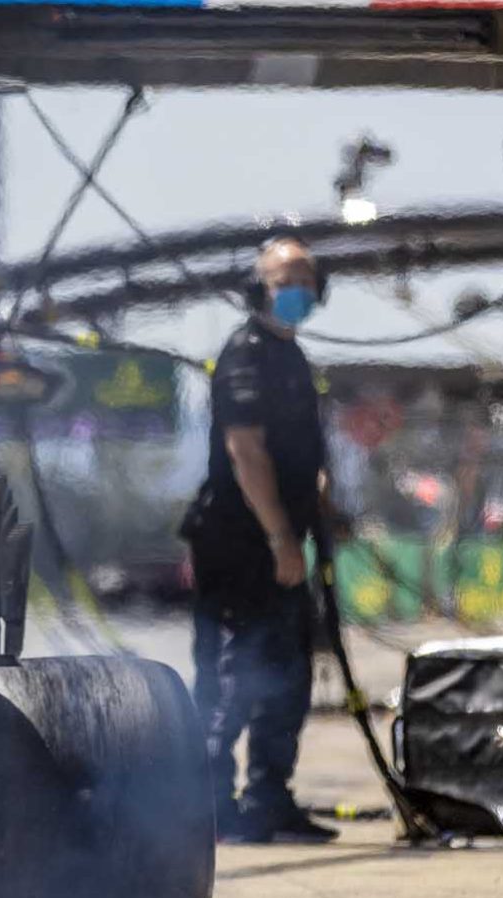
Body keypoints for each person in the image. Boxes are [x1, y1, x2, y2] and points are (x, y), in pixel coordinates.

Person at [180, 237, 338, 844]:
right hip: (239, 547)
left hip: (284, 542)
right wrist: (279, 539)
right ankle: (212, 808)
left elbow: (295, 451)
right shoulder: (245, 355)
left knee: (287, 678)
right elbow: (245, 453)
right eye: (286, 277)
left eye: (308, 277)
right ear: (257, 288)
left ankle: (270, 801)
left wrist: (319, 507)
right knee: (228, 681)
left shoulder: (290, 355)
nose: (300, 288)